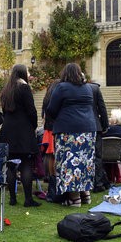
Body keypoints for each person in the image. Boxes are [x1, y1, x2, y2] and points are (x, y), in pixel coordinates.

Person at [46, 63, 96, 207]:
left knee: (69, 164)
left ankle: (74, 199)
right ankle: (85, 195)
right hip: (88, 130)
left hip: (68, 131)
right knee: (85, 164)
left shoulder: (62, 88)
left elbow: (51, 109)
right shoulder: (88, 88)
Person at [0, 64, 40, 207]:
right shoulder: (24, 88)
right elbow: (31, 110)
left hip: (8, 129)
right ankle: (28, 199)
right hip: (23, 130)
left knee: (10, 165)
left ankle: (13, 198)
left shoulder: (6, 90)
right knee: (26, 164)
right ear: (22, 73)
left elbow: (4, 110)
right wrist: (33, 126)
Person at [88, 78, 110, 193]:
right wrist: (105, 125)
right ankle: (98, 183)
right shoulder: (94, 88)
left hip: (82, 127)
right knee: (97, 156)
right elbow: (102, 108)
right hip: (95, 126)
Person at [102, 108, 121, 184]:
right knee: (112, 155)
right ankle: (118, 177)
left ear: (115, 119)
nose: (109, 118)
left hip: (103, 153)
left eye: (111, 116)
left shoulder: (106, 129)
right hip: (118, 154)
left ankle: (110, 178)